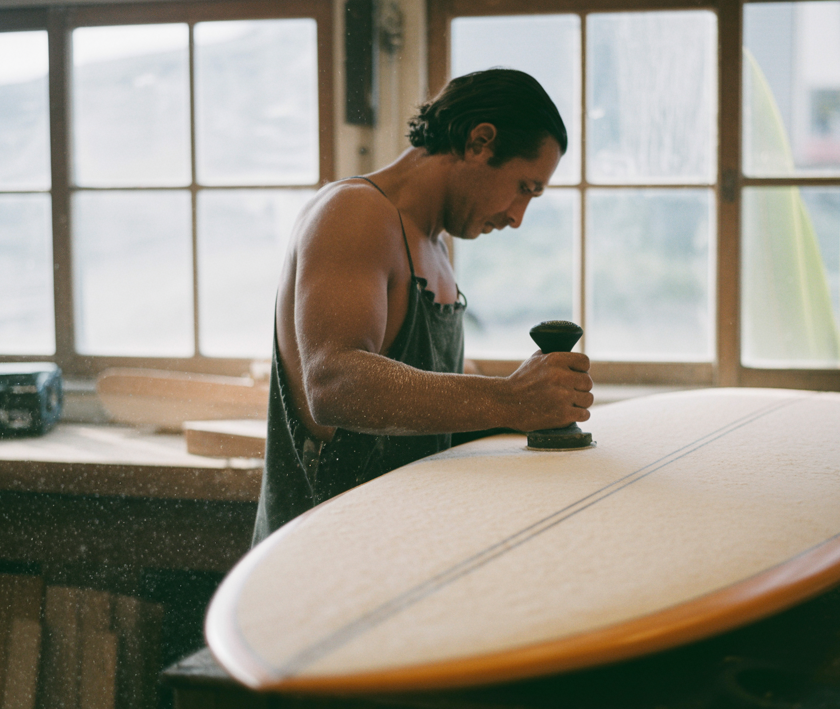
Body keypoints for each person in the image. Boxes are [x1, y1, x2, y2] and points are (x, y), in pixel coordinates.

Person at [252, 69, 593, 545]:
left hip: (398, 550)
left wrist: (542, 399)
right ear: (480, 142)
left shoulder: (435, 248)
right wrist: (512, 399)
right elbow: (334, 384)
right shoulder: (354, 213)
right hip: (319, 562)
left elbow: (432, 380)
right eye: (525, 187)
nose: (518, 217)